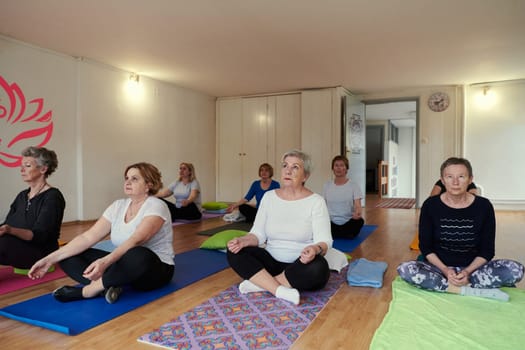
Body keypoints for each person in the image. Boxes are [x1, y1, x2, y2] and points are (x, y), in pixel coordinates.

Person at [28, 162, 174, 304]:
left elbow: (136, 239)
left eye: (134, 179)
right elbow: (88, 237)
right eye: (126, 178)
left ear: (149, 184)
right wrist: (49, 260)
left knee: (138, 253)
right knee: (67, 255)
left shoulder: (156, 205)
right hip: (123, 267)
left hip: (154, 270)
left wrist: (105, 262)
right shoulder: (118, 206)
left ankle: (88, 291)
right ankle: (108, 286)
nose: (128, 182)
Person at [398, 157, 524, 301]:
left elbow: (487, 250)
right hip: (440, 269)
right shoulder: (430, 205)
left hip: (474, 270)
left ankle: (450, 286)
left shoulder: (484, 206)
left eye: (461, 176)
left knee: (515, 270)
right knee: (405, 269)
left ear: (470, 179)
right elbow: (426, 247)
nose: (455, 182)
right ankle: (468, 290)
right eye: (449, 177)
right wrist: (446, 270)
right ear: (442, 180)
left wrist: (467, 272)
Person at [226, 150, 333, 305]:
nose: (288, 170)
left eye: (295, 167)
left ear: (305, 176)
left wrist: (315, 249)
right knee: (234, 251)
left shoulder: (316, 201)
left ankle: (262, 284)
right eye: (285, 166)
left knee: (319, 268)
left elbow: (324, 241)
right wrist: (243, 241)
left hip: (299, 265)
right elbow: (258, 234)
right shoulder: (269, 197)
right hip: (270, 263)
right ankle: (280, 290)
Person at [0, 146, 65, 269]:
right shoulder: (22, 196)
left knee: (2, 244)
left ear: (43, 169)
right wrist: (5, 229)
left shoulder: (53, 197)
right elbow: (7, 224)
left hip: (41, 253)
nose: (22, 170)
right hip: (17, 245)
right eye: (21, 166)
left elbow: (39, 236)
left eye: (27, 166)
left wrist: (10, 230)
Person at [323, 155, 364, 239]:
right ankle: (339, 233)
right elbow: (323, 204)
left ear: (346, 168)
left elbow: (357, 205)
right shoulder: (327, 185)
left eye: (342, 165)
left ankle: (341, 233)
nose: (339, 168)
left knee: (360, 221)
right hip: (331, 222)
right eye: (336, 165)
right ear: (333, 168)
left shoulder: (354, 185)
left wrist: (357, 213)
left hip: (348, 221)